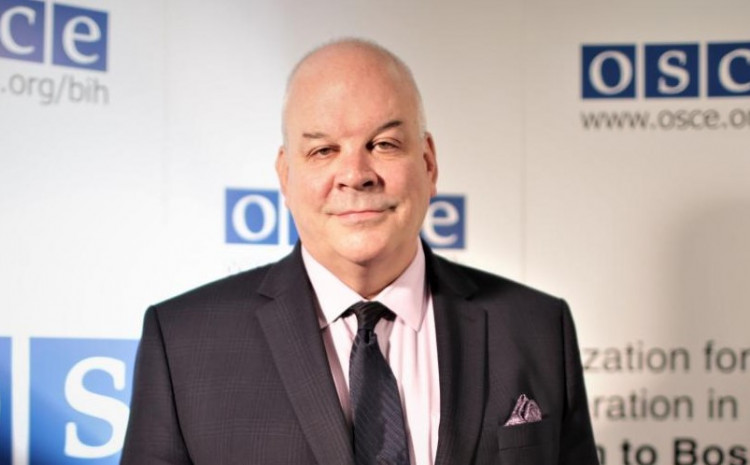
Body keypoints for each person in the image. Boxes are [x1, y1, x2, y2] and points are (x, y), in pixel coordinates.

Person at [122, 38, 599, 465]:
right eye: (323, 151)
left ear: (429, 164)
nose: (356, 174)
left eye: (384, 144)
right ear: (285, 176)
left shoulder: (537, 328)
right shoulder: (182, 344)